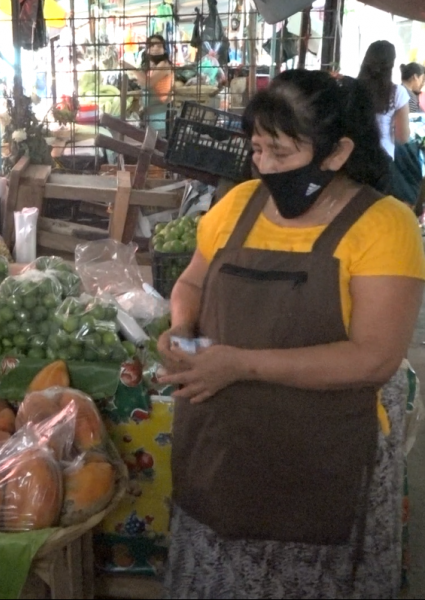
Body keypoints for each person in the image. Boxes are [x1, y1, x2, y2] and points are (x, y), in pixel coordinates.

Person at [158, 69, 425, 598]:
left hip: (323, 454)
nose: (265, 167)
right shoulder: (236, 207)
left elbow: (374, 358)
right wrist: (181, 326)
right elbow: (191, 280)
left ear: (337, 151)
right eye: (258, 150)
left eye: (282, 154)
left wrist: (243, 364)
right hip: (226, 449)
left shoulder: (384, 225)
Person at [359, 40, 410, 160]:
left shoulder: (352, 87)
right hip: (382, 159)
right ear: (391, 64)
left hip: (350, 157)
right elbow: (402, 137)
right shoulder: (397, 92)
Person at [125, 35, 174, 135]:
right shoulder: (153, 66)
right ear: (147, 50)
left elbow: (148, 83)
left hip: (159, 114)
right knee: (151, 143)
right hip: (151, 113)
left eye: (159, 46)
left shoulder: (164, 64)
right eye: (152, 45)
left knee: (157, 143)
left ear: (164, 50)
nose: (155, 48)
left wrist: (130, 67)